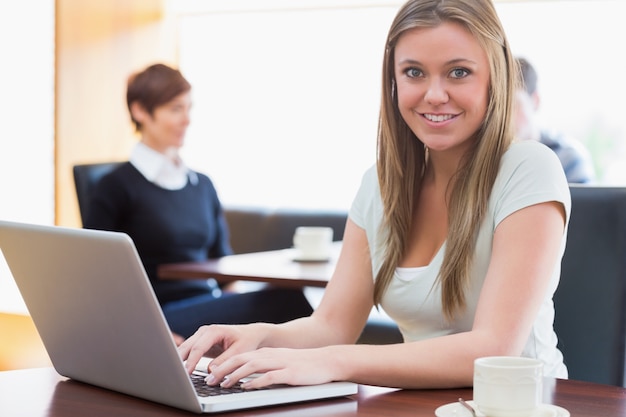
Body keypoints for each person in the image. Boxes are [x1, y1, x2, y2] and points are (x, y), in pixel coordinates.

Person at [178, 0, 570, 390]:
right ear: (394, 81)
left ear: (494, 78)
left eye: (458, 72)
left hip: (519, 405)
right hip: (421, 404)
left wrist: (332, 361)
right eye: (414, 72)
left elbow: (493, 349)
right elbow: (332, 325)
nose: (434, 94)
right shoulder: (382, 185)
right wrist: (258, 336)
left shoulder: (528, 168)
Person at [84, 63, 312, 339]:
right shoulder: (115, 187)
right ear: (140, 111)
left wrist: (238, 322)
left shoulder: (202, 185)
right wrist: (157, 333)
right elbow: (99, 278)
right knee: (286, 302)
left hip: (203, 305)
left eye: (188, 108)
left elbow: (222, 266)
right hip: (159, 318)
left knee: (284, 299)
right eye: (175, 109)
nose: (187, 119)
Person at [514, 56, 595, 183]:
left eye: (514, 105)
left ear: (535, 101)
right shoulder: (489, 159)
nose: (505, 118)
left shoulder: (568, 158)